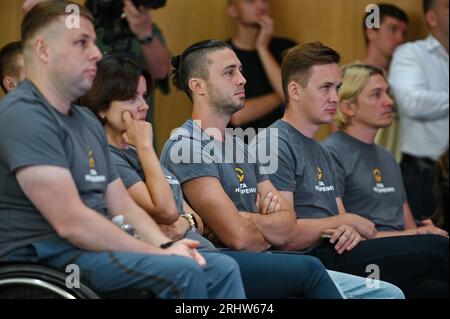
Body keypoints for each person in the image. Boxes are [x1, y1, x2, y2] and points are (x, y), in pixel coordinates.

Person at [0, 1, 247, 299]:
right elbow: (70, 222)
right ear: (43, 50)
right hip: (48, 262)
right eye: (81, 42)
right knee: (183, 271)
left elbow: (124, 205)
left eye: (94, 42)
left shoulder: (84, 121)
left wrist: (167, 246)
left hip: (91, 250)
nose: (96, 53)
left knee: (219, 267)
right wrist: (159, 254)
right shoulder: (24, 115)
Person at [160, 39, 405, 299]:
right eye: (229, 72)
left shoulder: (240, 145)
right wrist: (262, 228)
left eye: (240, 71)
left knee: (387, 293)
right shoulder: (187, 146)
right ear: (197, 86)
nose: (242, 79)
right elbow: (240, 239)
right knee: (309, 269)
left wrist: (244, 220)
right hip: (226, 263)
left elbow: (287, 227)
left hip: (270, 257)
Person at [252, 42, 449, 298]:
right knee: (436, 247)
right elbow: (284, 237)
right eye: (325, 88)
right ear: (295, 91)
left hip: (337, 250)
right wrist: (343, 222)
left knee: (432, 290)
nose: (335, 97)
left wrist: (346, 226)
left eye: (337, 88)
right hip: (306, 259)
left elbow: (343, 220)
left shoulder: (320, 151)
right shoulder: (274, 143)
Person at [322, 63, 448, 239]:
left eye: (387, 93)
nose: (389, 102)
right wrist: (418, 235)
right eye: (376, 94)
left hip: (402, 249)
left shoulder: (387, 157)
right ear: (348, 107)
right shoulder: (330, 153)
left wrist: (425, 233)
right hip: (363, 252)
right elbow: (342, 233)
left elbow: (408, 226)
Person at [23, 0, 171, 125]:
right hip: (81, 127)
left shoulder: (143, 26)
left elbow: (162, 71)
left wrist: (145, 33)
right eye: (83, 42)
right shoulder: (75, 24)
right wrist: (43, 17)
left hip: (135, 140)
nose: (95, 54)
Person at [389, 0, 449, 222]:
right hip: (424, 174)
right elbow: (412, 103)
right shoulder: (411, 53)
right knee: (429, 247)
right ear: (432, 18)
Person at [227, 0, 296, 132]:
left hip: (283, 143)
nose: (260, 5)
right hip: (238, 146)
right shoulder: (221, 55)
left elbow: (300, 100)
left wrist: (262, 48)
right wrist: (283, 94)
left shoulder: (288, 49)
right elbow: (237, 115)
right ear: (233, 10)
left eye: (264, 0)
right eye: (250, 1)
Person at [362, 3, 409, 161]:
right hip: (364, 171)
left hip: (399, 171)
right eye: (393, 29)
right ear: (371, 31)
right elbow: (338, 132)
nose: (400, 39)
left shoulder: (405, 81)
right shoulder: (348, 78)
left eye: (403, 32)